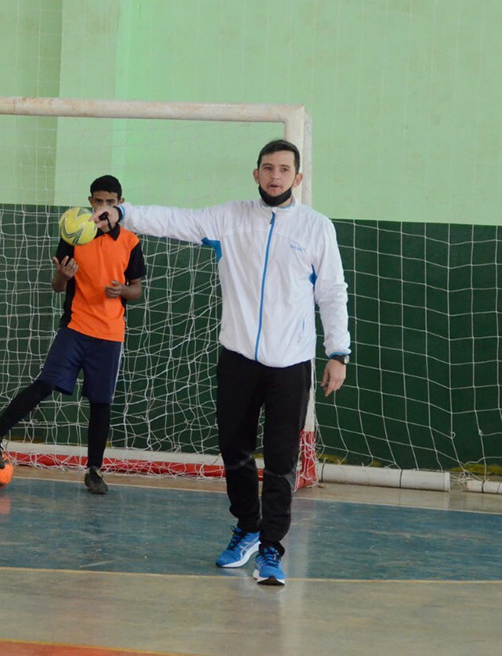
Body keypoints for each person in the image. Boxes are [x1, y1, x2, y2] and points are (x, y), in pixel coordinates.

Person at [98, 139, 350, 585]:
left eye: (284, 169)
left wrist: (338, 352)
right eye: (267, 168)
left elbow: (331, 294)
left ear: (298, 178)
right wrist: (124, 213)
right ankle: (247, 528)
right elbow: (176, 221)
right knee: (234, 451)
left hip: (291, 365)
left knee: (279, 460)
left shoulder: (317, 228)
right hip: (237, 359)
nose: (275, 176)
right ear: (256, 174)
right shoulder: (228, 219)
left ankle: (272, 548)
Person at [0, 175, 146, 494]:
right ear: (90, 202)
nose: (103, 207)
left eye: (110, 202)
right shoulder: (74, 233)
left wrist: (123, 289)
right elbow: (58, 287)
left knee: (101, 403)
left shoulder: (130, 242)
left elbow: (136, 289)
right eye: (98, 201)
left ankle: (94, 471)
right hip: (75, 327)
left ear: (120, 205)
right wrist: (61, 276)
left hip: (110, 334)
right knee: (45, 383)